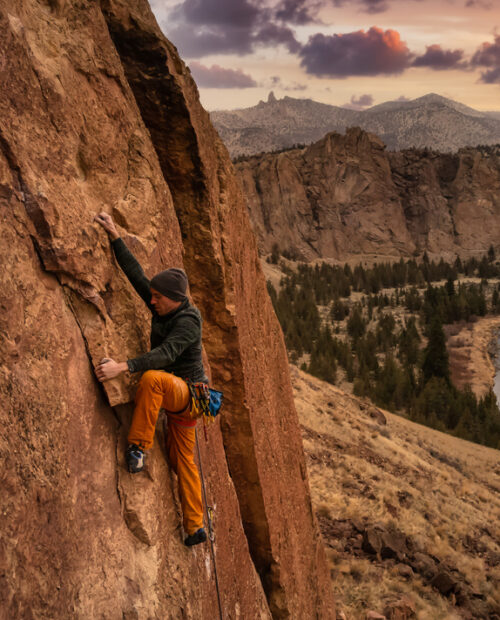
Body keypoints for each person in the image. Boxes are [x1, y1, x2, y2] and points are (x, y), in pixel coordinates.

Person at [94, 212, 208, 547]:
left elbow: (166, 355)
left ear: (175, 298)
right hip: (178, 399)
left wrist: (122, 367)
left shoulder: (188, 321)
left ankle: (138, 448)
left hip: (187, 397)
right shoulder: (164, 304)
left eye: (158, 297)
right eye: (153, 296)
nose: (152, 300)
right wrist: (114, 235)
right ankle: (196, 526)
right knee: (182, 461)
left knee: (152, 378)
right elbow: (135, 275)